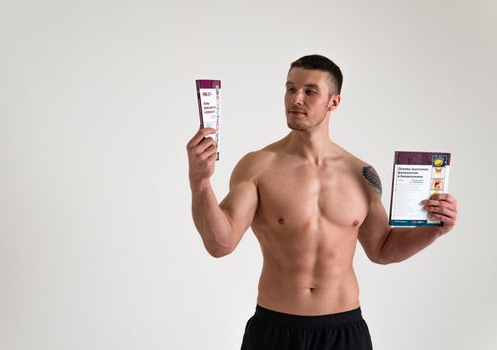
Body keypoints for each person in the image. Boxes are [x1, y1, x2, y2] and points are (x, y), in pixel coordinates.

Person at [186, 55, 458, 350]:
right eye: (290, 89)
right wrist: (200, 183)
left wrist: (436, 229)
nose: (296, 99)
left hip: (343, 330)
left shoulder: (361, 174)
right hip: (275, 329)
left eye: (310, 91)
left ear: (334, 102)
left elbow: (382, 249)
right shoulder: (258, 167)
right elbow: (220, 244)